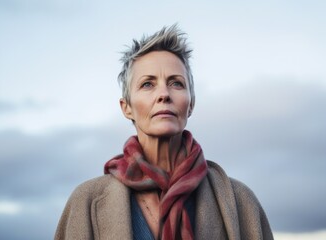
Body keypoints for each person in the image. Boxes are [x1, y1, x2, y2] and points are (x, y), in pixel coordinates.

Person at [55, 25, 273, 240]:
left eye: (176, 83)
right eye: (148, 84)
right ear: (126, 107)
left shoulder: (240, 202)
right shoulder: (85, 202)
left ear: (191, 104)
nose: (164, 94)